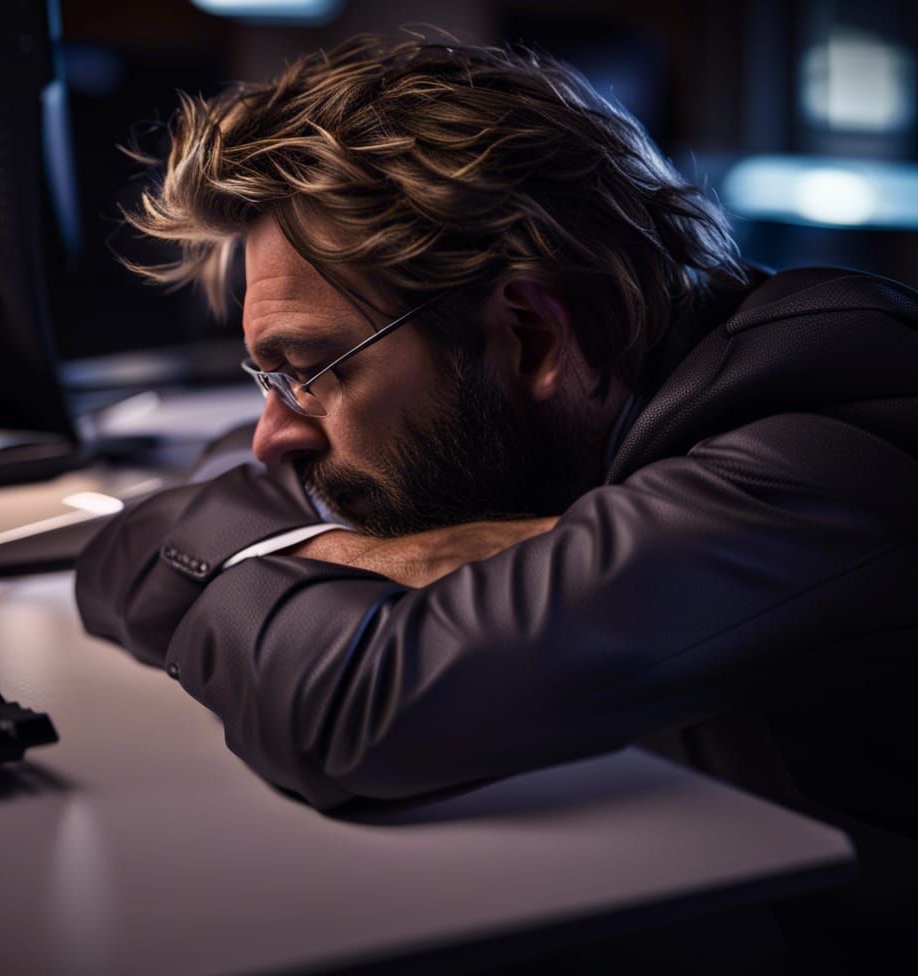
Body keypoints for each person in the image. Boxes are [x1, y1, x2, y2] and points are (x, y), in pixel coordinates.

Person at [76, 35, 917, 825]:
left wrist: (292, 561)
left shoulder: (832, 424)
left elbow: (351, 708)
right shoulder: (552, 429)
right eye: (270, 379)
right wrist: (359, 554)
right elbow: (127, 548)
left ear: (534, 337)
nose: (271, 438)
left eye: (309, 372)